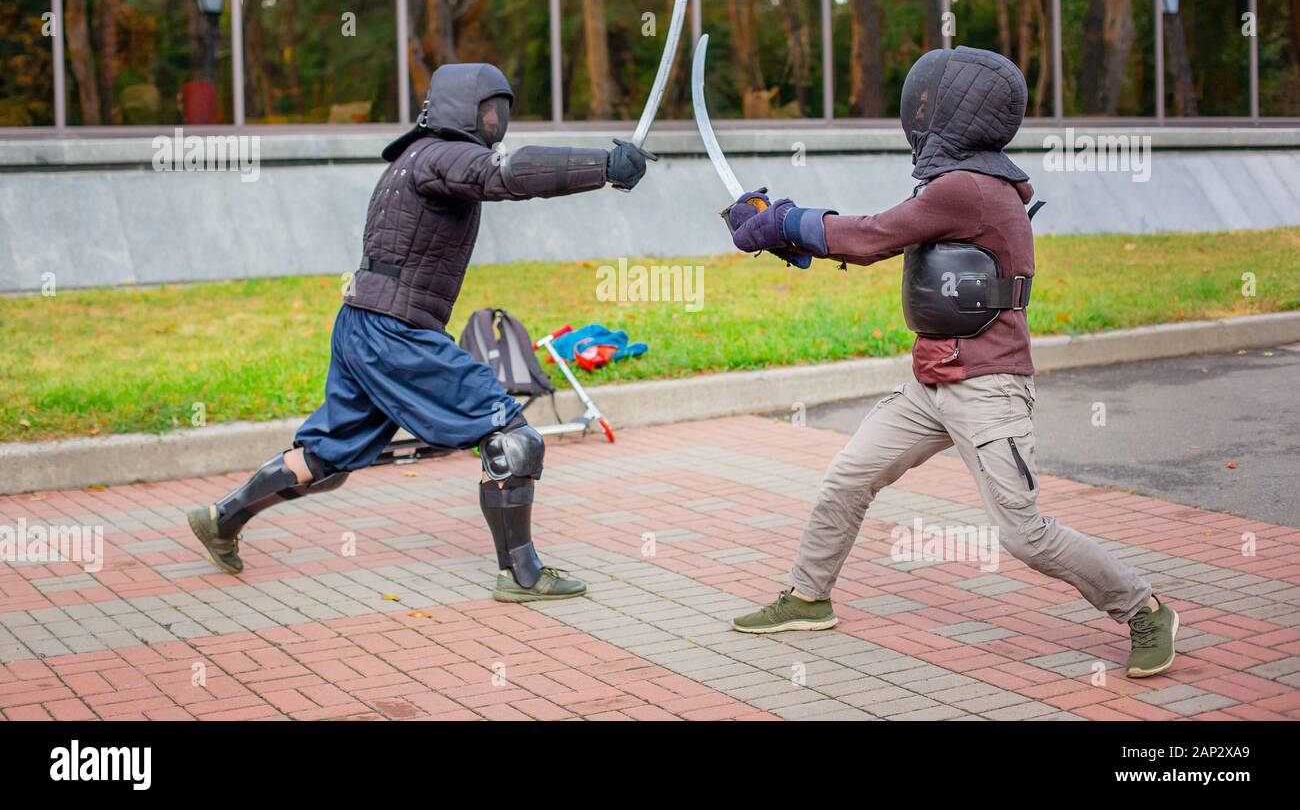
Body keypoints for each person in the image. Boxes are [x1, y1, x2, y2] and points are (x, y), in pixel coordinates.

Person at [725, 46, 1177, 679]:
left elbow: (874, 232)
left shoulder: (970, 189)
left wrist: (785, 221)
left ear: (959, 115)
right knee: (848, 477)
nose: (919, 113)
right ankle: (807, 596)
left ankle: (1145, 608)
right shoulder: (961, 187)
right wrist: (789, 235)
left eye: (931, 103)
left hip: (989, 389)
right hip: (932, 383)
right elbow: (876, 239)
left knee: (1025, 534)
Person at [187, 63, 649, 603]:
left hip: (361, 322)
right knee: (512, 437)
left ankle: (222, 519)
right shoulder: (442, 153)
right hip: (394, 330)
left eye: (500, 111)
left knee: (327, 457)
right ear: (460, 109)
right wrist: (604, 166)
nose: (496, 122)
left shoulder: (414, 157)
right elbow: (508, 174)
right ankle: (521, 575)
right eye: (488, 111)